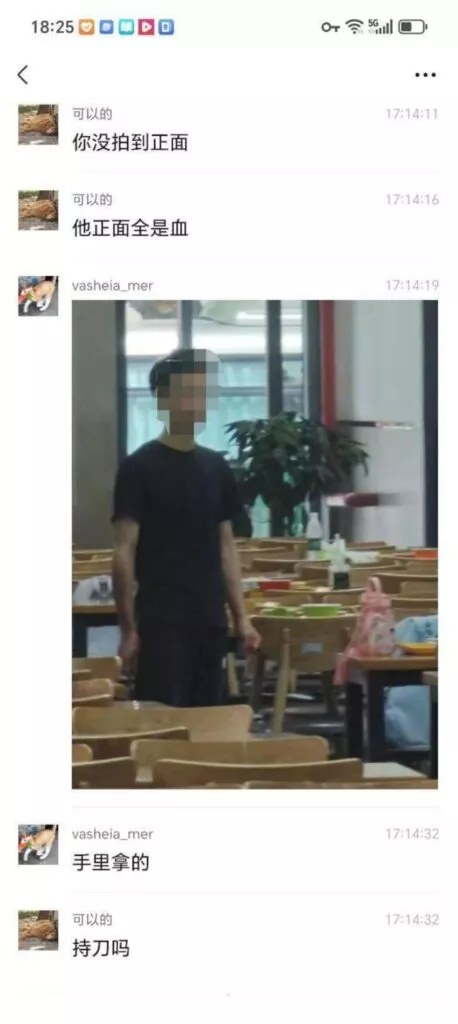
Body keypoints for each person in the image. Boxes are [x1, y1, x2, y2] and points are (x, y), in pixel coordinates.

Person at [112, 348, 260, 705]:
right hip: (160, 618)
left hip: (210, 617)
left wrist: (241, 617)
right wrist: (128, 628)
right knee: (162, 717)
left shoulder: (216, 468)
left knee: (209, 717)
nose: (197, 404)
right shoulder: (137, 468)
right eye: (187, 393)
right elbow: (123, 551)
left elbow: (226, 546)